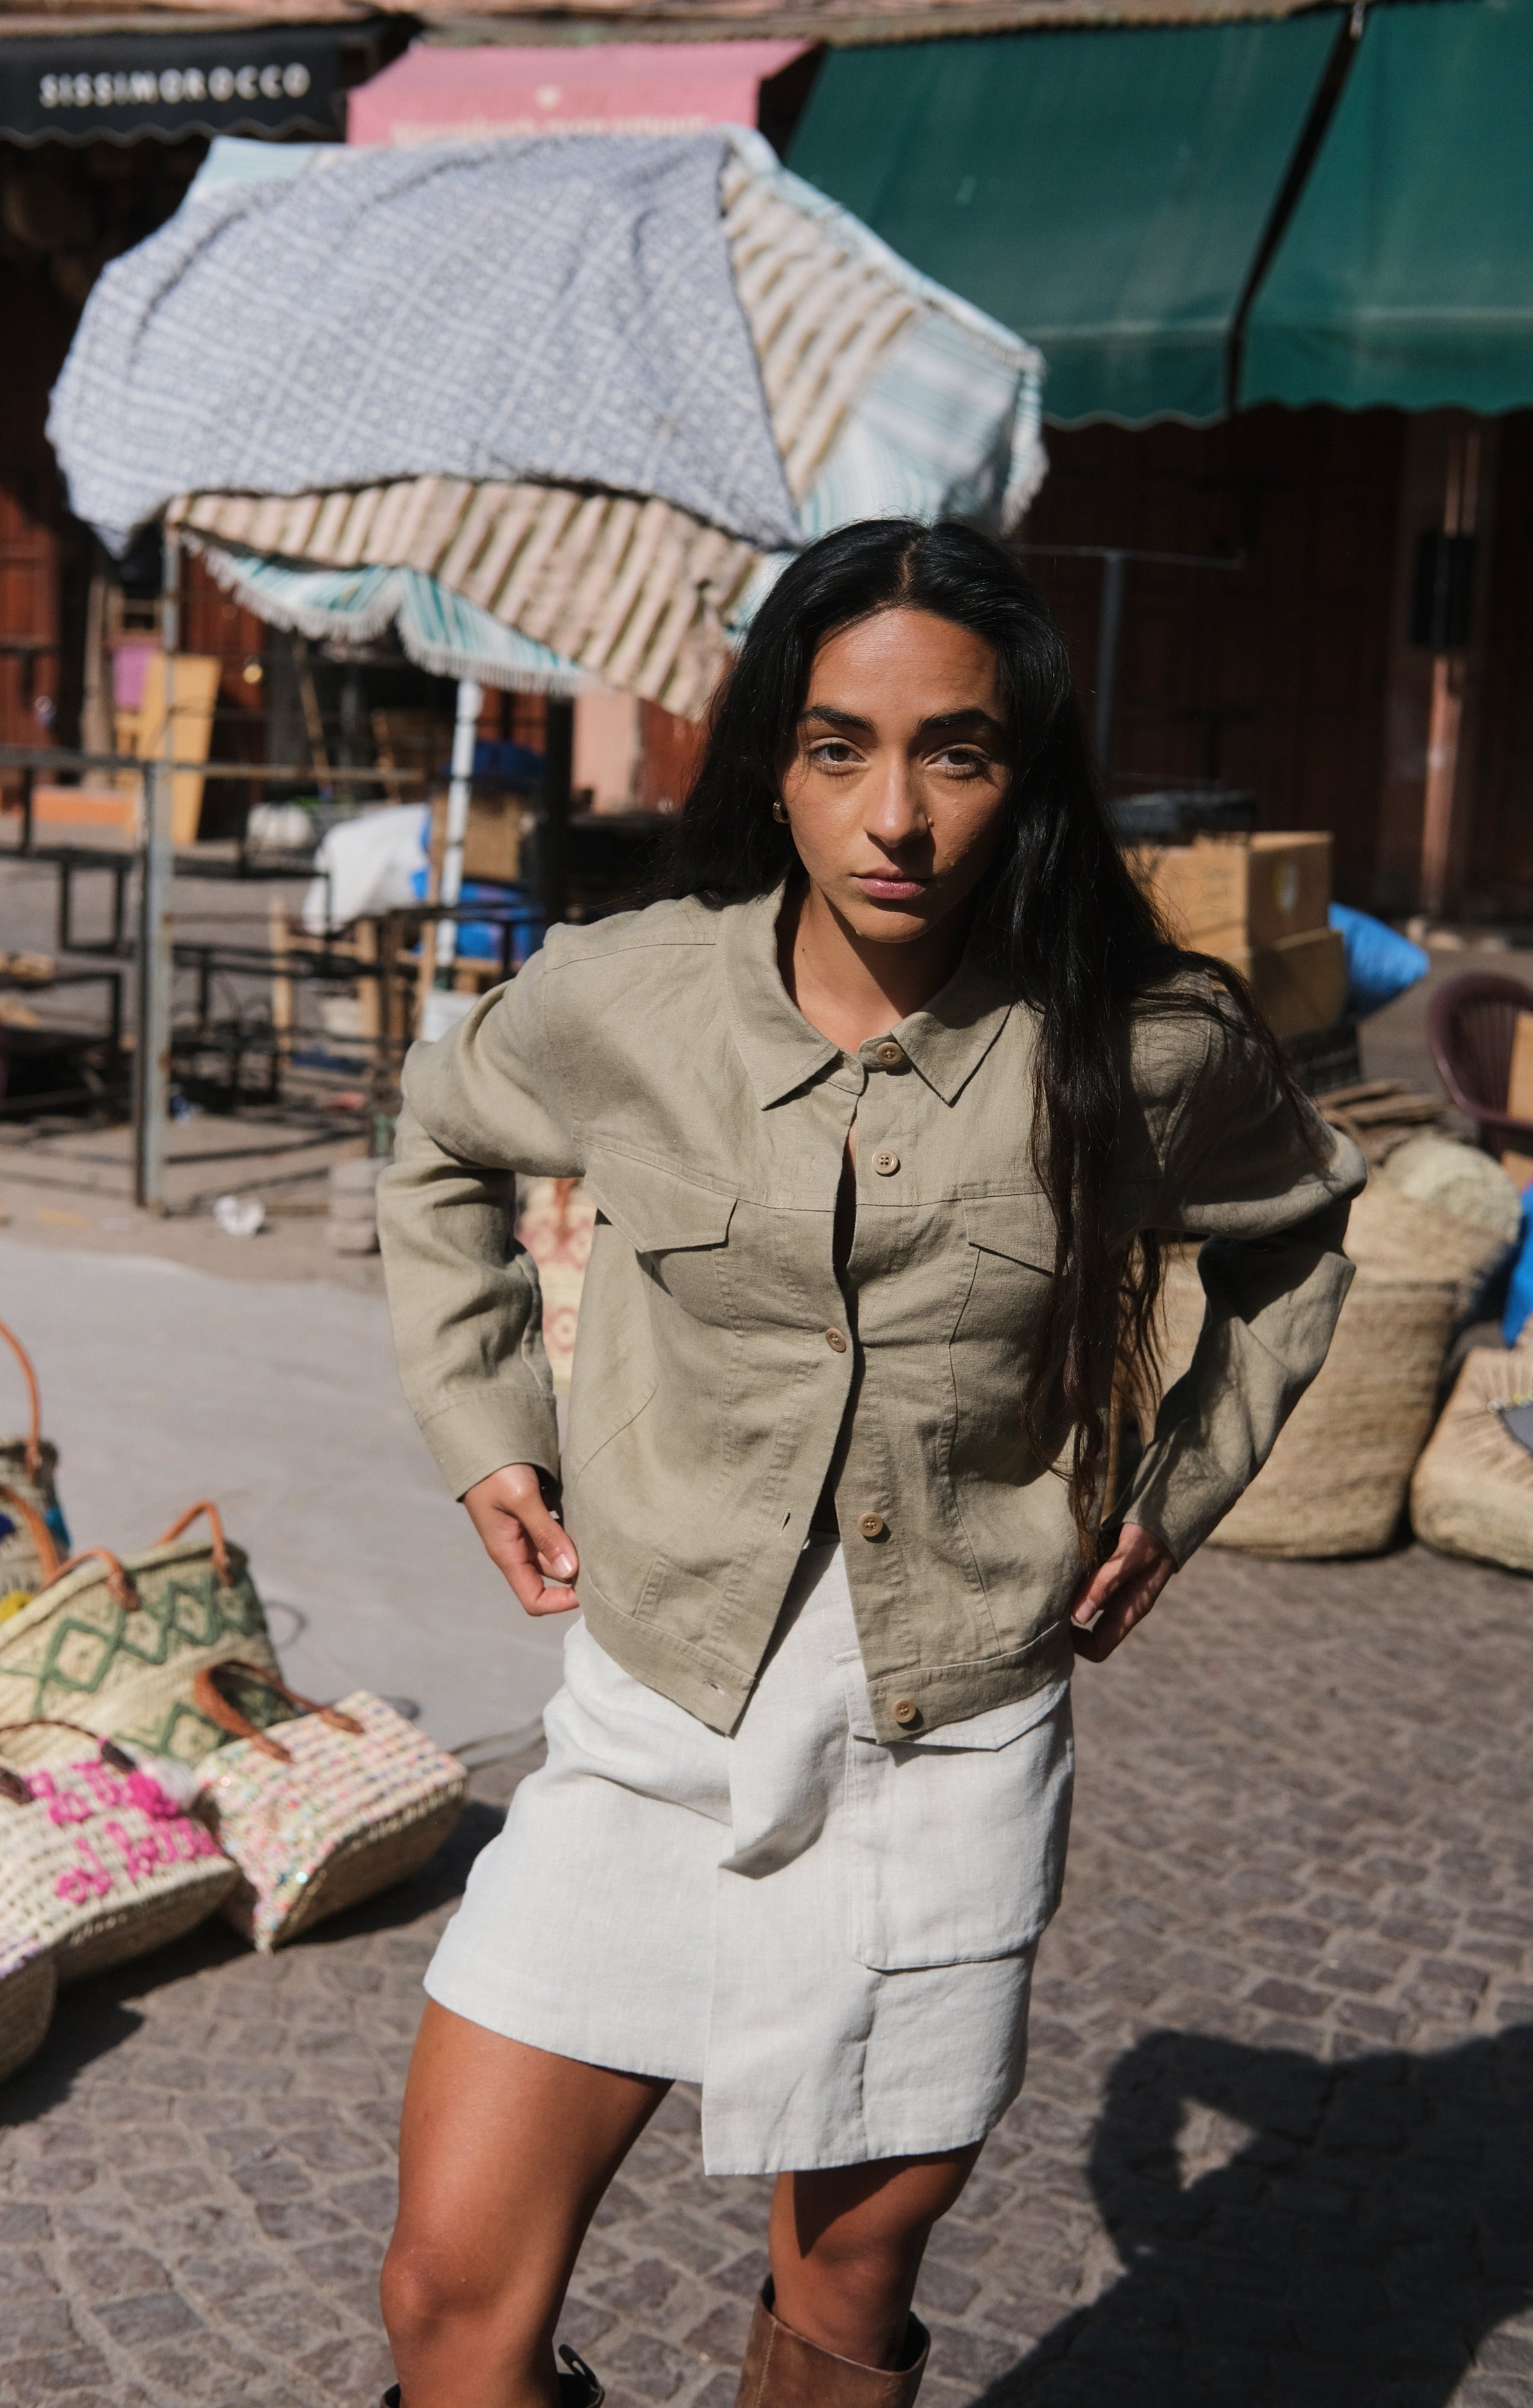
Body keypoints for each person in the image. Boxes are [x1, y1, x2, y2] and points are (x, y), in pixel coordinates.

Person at [374, 518, 1364, 2408]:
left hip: (944, 1745)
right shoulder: (629, 997)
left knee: (837, 2302)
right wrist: (484, 1417)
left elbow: (1302, 1231)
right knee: (446, 2293)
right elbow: (438, 1138)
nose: (894, 815)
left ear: (1026, 773)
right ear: (776, 761)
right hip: (656, 1709)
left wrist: (1180, 1490)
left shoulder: (1140, 1046)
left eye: (955, 753)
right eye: (841, 748)